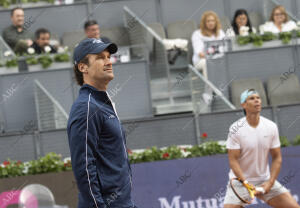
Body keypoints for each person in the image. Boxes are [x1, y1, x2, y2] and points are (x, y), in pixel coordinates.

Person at [67, 38, 137, 208]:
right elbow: (84, 168)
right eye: (99, 57)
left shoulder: (100, 103)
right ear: (83, 67)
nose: (108, 61)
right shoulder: (86, 108)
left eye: (108, 56)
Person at [224, 89, 300, 208]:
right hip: (240, 182)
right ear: (244, 105)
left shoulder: (271, 127)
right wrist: (246, 184)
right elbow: (233, 161)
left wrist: (269, 183)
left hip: (264, 180)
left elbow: (277, 157)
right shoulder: (235, 128)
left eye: (258, 98)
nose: (257, 101)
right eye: (252, 98)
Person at [191, 11, 225, 79]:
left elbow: (225, 47)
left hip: (218, 58)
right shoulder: (197, 34)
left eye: (213, 21)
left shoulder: (220, 32)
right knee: (207, 63)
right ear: (204, 23)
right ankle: (210, 88)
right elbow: (200, 54)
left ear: (216, 22)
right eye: (208, 21)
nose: (211, 23)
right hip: (201, 60)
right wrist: (215, 58)